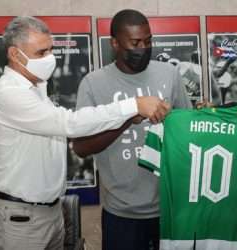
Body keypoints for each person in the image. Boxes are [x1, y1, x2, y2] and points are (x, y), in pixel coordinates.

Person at [0, 16, 169, 250]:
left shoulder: (37, 90)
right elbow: (70, 124)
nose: (49, 58)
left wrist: (126, 118)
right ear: (15, 54)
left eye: (51, 50)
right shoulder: (7, 94)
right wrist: (132, 105)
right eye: (41, 52)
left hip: (49, 213)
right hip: (19, 218)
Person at [72, 9, 191, 250]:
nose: (143, 48)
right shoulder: (94, 84)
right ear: (115, 43)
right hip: (121, 212)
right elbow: (81, 148)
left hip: (169, 206)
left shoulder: (169, 74)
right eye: (135, 43)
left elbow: (188, 130)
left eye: (148, 41)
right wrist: (128, 118)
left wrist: (199, 116)